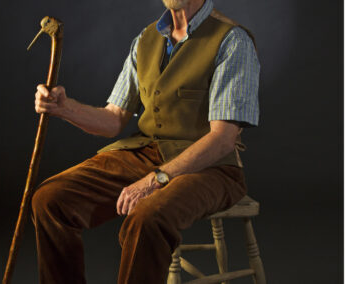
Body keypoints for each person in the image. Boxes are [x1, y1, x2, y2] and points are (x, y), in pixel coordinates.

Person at [31, 0, 260, 283]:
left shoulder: (232, 40)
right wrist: (63, 108)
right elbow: (113, 118)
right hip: (145, 153)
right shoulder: (146, 39)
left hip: (211, 168)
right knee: (50, 199)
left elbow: (222, 140)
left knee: (147, 218)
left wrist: (155, 180)